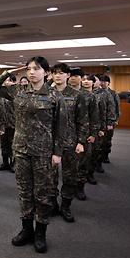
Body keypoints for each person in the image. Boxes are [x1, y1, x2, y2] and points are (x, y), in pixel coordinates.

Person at [0, 57, 66, 253]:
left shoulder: (55, 96)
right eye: (29, 68)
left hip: (43, 152)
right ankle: (26, 230)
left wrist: (57, 153)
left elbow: (61, 127)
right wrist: (11, 72)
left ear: (46, 73)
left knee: (42, 194)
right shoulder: (18, 91)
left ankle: (40, 232)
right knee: (24, 192)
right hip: (21, 150)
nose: (31, 72)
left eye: (36, 68)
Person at [49, 63, 88, 223]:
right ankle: (52, 204)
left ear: (67, 76)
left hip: (70, 141)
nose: (58, 76)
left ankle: (65, 206)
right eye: (55, 73)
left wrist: (81, 141)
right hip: (49, 141)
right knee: (49, 176)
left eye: (61, 73)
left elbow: (83, 120)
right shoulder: (45, 93)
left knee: (70, 176)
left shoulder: (76, 95)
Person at [71, 70, 101, 200]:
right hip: (65, 135)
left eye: (77, 76)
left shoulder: (89, 96)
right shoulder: (60, 94)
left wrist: (93, 133)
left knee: (82, 163)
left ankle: (80, 188)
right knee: (68, 165)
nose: (73, 78)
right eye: (71, 76)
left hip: (84, 134)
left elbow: (95, 117)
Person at [93, 74, 116, 174]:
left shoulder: (107, 93)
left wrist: (111, 122)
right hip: (90, 124)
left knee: (101, 145)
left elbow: (112, 108)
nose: (100, 83)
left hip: (102, 123)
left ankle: (99, 163)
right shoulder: (87, 92)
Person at [100, 75, 120, 163]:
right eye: (101, 81)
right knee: (100, 141)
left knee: (107, 140)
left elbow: (117, 107)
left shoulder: (113, 93)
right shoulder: (97, 92)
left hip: (110, 121)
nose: (102, 83)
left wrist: (116, 120)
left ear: (108, 83)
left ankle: (105, 156)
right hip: (100, 121)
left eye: (104, 81)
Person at [0, 74, 17, 172]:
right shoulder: (1, 94)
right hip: (3, 124)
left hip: (13, 123)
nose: (6, 82)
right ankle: (5, 163)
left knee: (12, 145)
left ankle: (13, 163)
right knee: (3, 145)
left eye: (8, 80)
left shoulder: (15, 94)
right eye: (5, 80)